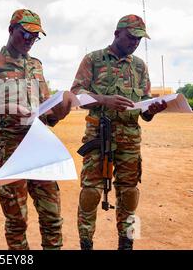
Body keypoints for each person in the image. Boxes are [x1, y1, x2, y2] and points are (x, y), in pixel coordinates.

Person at [71, 14, 167, 250]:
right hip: (98, 136)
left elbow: (143, 107)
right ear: (116, 34)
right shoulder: (93, 59)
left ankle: (127, 243)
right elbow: (76, 95)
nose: (135, 43)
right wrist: (104, 99)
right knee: (90, 193)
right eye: (131, 37)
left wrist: (152, 109)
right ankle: (86, 244)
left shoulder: (139, 66)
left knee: (130, 194)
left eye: (139, 39)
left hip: (130, 140)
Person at [0, 9, 72, 250]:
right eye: (25, 34)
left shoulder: (36, 66)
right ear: (11, 30)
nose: (30, 41)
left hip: (41, 147)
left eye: (35, 37)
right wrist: (3, 108)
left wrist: (59, 112)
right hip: (11, 151)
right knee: (17, 220)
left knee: (52, 216)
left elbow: (46, 110)